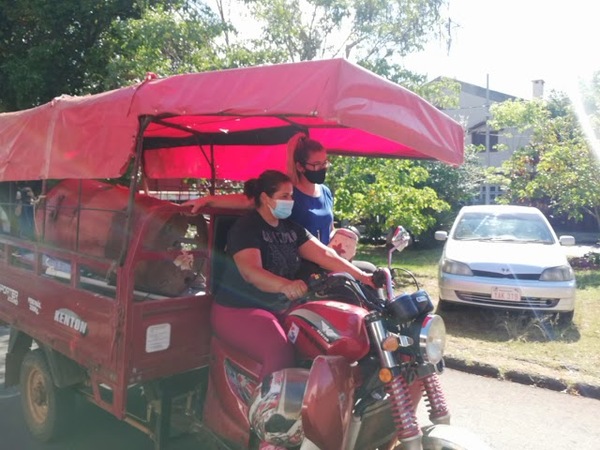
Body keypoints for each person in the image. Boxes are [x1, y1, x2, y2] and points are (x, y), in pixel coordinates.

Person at [211, 170, 373, 379]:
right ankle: (272, 408)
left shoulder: (291, 229)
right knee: (278, 349)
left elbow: (325, 254)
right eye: (284, 196)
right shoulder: (246, 227)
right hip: (238, 310)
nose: (291, 201)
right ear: (264, 198)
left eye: (292, 196)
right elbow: (251, 272)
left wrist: (363, 276)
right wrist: (284, 285)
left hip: (281, 307)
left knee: (322, 339)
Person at [184, 133, 334, 244]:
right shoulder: (288, 191)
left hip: (325, 265)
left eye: (324, 163)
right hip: (296, 267)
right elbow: (247, 201)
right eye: (316, 165)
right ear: (300, 166)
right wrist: (207, 200)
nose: (322, 168)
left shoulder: (326, 192)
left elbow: (329, 228)